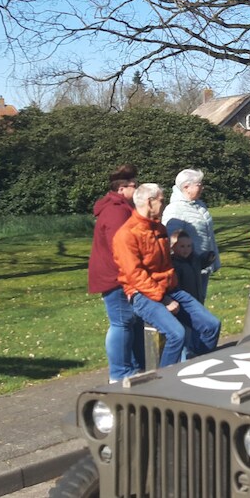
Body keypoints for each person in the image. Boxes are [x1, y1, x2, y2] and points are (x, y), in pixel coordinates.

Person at [113, 183, 221, 369]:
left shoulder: (159, 229)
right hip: (142, 294)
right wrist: (164, 299)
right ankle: (163, 381)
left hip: (170, 289)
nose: (163, 205)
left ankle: (196, 364)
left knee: (211, 325)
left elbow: (167, 264)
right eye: (161, 201)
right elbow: (135, 276)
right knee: (176, 334)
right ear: (149, 202)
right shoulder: (127, 235)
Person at [88, 164, 146, 383]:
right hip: (115, 277)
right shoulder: (116, 211)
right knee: (121, 322)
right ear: (122, 189)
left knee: (129, 321)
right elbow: (119, 247)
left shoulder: (120, 207)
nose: (137, 189)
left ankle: (131, 367)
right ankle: (120, 372)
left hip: (119, 274)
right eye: (134, 186)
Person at [163, 169, 220, 305]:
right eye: (199, 184)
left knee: (200, 302)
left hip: (203, 263)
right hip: (187, 268)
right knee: (190, 305)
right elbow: (172, 241)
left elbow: (209, 234)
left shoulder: (200, 205)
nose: (202, 187)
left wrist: (214, 259)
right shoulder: (175, 209)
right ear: (186, 187)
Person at [171, 231, 204, 303]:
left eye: (189, 246)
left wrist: (208, 257)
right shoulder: (174, 264)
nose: (186, 249)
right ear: (173, 247)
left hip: (197, 297)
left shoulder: (194, 260)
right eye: (182, 246)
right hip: (184, 301)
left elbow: (202, 263)